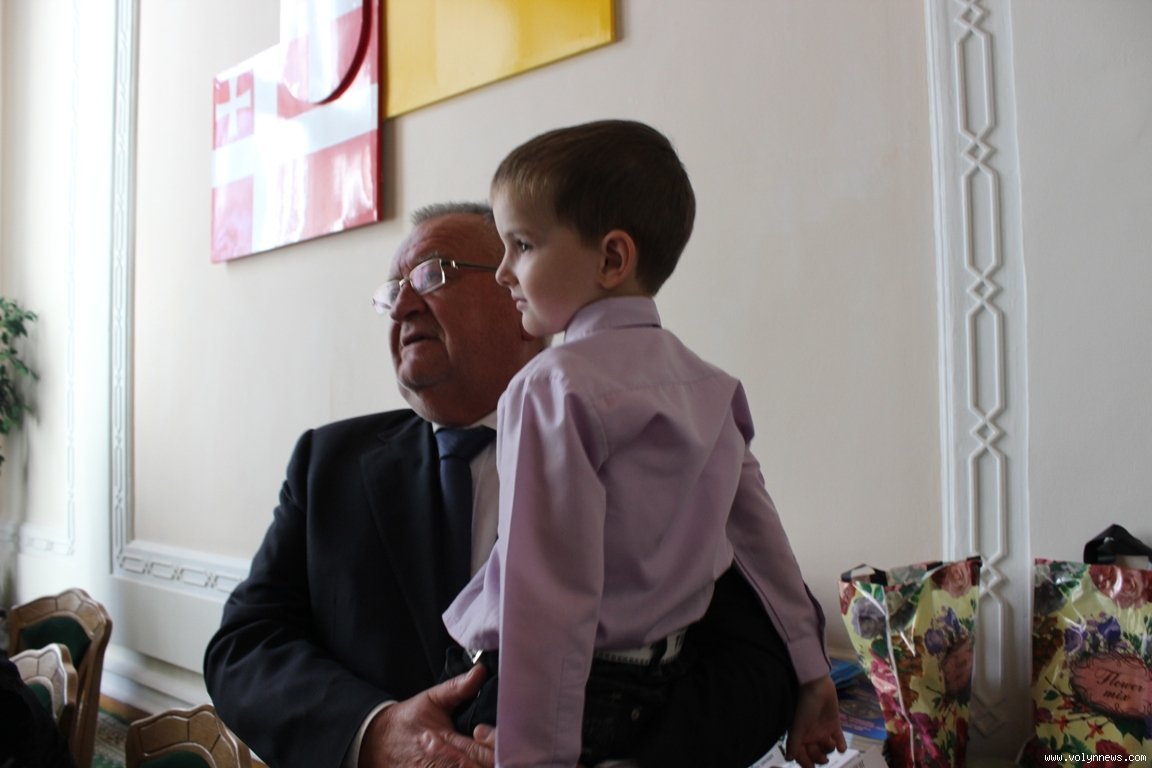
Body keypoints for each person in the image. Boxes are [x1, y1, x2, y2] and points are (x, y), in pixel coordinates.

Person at [203, 201, 826, 768]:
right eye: (393, 290)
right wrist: (375, 732)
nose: (403, 305)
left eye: (433, 275)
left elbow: (763, 655)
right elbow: (245, 646)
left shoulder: (650, 438)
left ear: (520, 295)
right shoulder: (327, 463)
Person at [441, 120, 845, 768]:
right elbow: (763, 544)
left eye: (521, 245)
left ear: (611, 259)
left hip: (556, 699)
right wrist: (812, 671)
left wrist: (534, 759)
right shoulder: (709, 386)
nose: (502, 273)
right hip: (662, 687)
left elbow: (545, 596)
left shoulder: (551, 387)